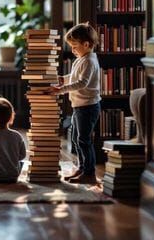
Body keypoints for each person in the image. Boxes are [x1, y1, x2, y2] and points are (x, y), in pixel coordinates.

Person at [49, 22, 102, 185]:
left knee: (84, 140)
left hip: (88, 107)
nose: (72, 49)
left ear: (86, 44)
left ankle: (90, 172)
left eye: (74, 46)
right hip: (79, 106)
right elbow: (74, 76)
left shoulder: (89, 61)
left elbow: (82, 83)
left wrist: (61, 89)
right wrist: (62, 79)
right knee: (76, 139)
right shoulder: (81, 58)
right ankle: (82, 167)